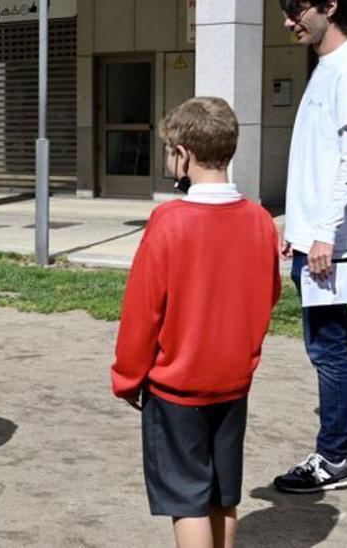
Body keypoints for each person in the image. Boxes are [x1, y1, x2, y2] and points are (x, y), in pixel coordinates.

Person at [111, 97, 280, 548]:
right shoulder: (261, 222)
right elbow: (268, 298)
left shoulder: (168, 221)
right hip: (232, 383)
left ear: (182, 155)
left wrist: (128, 378)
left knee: (186, 501)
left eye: (170, 151)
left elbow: (142, 312)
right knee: (223, 497)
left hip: (177, 387)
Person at [273, 0, 347, 494]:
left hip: (330, 240)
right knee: (338, 340)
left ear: (329, 6)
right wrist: (297, 229)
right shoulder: (329, 67)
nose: (288, 22)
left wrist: (322, 232)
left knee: (326, 348)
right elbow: (317, 158)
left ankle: (332, 459)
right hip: (315, 234)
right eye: (284, 12)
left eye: (296, 9)